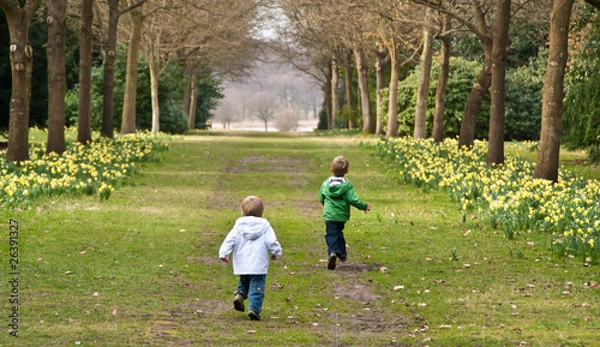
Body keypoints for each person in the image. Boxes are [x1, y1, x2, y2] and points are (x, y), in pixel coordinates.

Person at [219, 196, 282, 321]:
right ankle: (254, 308)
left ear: (242, 211)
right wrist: (276, 252)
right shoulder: (265, 226)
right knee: (257, 286)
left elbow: (229, 240)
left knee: (244, 280)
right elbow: (271, 241)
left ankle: (240, 295)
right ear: (261, 212)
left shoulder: (238, 226)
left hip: (242, 262)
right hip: (258, 262)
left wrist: (223, 253)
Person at [319, 156, 371, 270]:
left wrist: (326, 206)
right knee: (338, 232)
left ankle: (333, 252)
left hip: (329, 214)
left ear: (331, 169)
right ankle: (342, 254)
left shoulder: (326, 184)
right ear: (346, 171)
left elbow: (321, 197)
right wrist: (364, 206)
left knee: (331, 234)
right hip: (341, 215)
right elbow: (352, 199)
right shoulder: (346, 185)